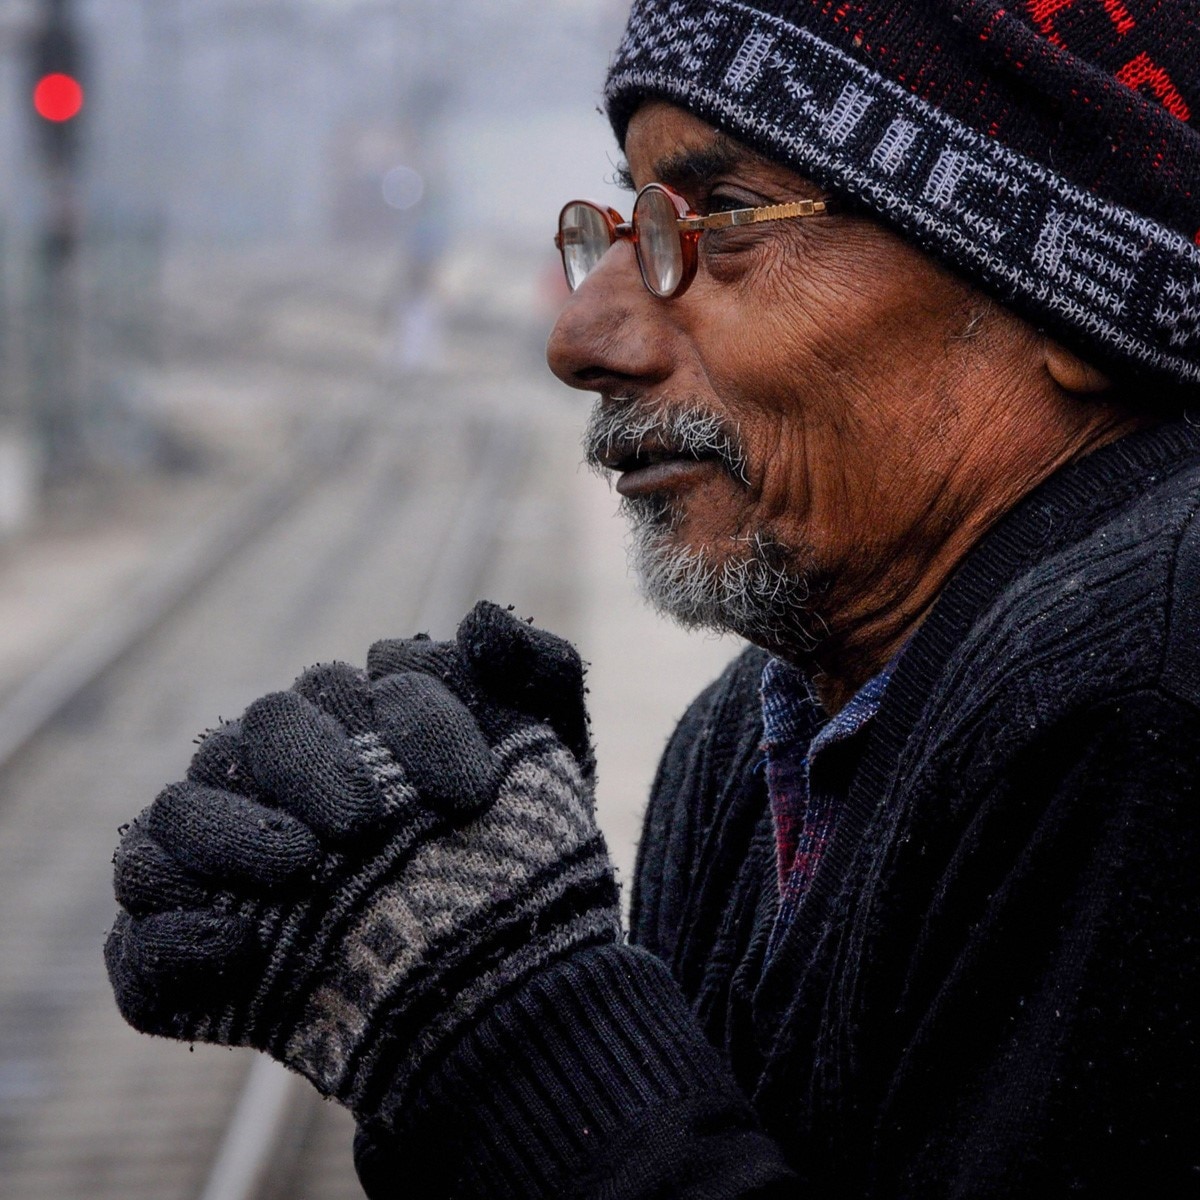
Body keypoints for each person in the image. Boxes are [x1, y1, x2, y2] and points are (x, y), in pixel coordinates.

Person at [105, 1, 1200, 1195]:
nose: (584, 335)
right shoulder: (751, 735)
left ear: (1081, 296)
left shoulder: (1145, 689)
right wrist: (526, 984)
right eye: (620, 228)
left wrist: (509, 1033)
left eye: (719, 222)